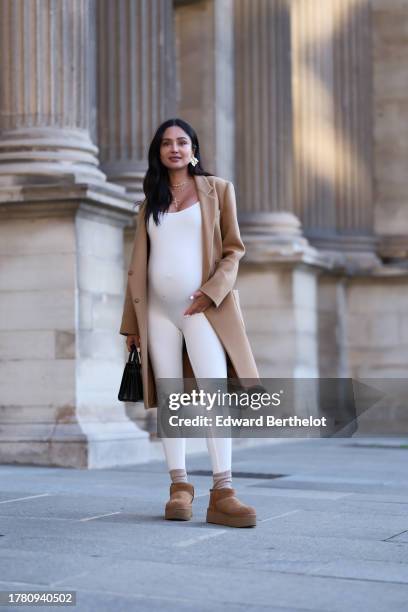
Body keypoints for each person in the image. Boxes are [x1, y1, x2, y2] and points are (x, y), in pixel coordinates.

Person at [122, 117, 257, 528]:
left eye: (182, 142)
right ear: (158, 152)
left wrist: (211, 291)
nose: (174, 149)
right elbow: (136, 268)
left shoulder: (217, 190)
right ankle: (179, 487)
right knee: (170, 399)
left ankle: (224, 491)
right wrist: (132, 326)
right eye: (166, 143)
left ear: (193, 148)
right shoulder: (150, 202)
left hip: (201, 309)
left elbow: (234, 250)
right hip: (156, 314)